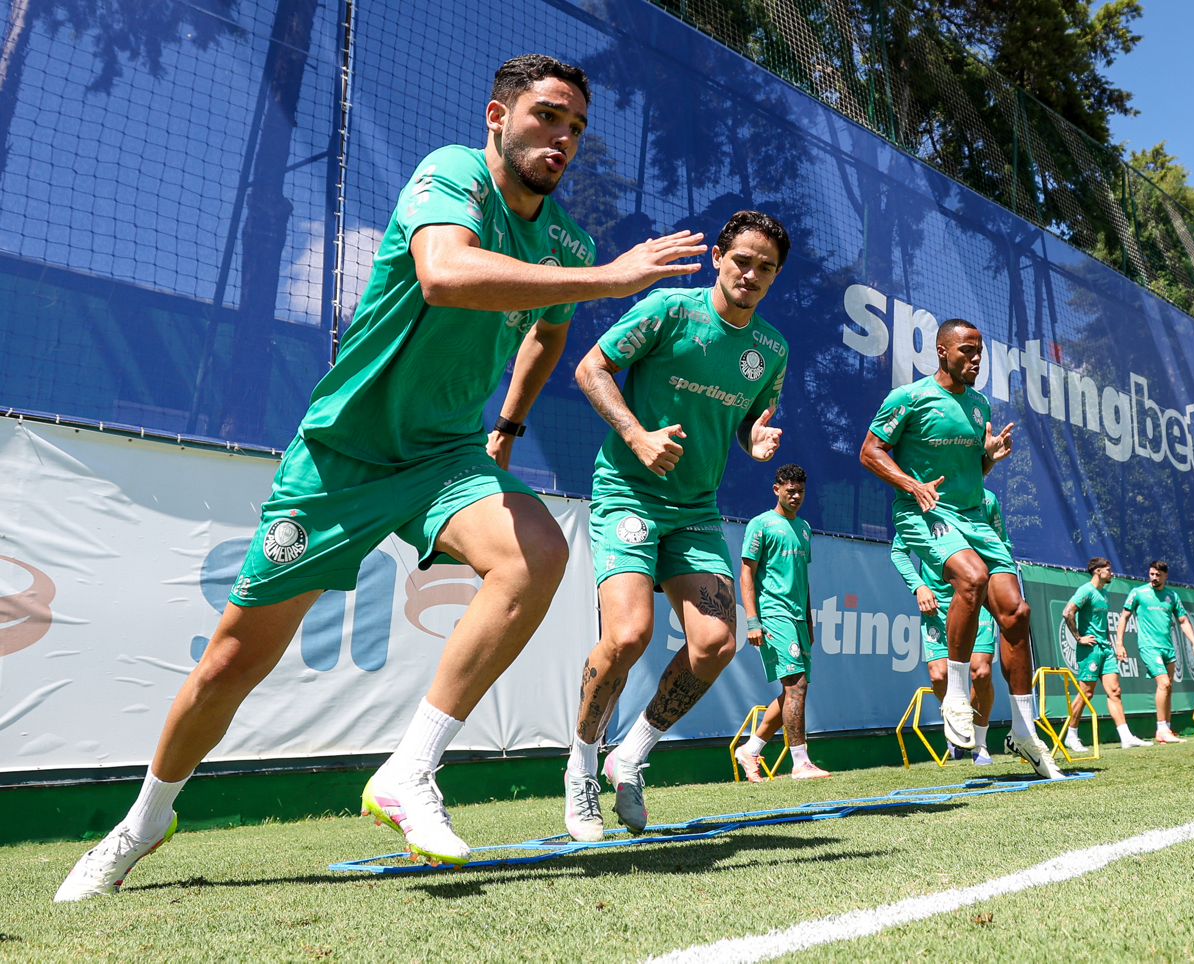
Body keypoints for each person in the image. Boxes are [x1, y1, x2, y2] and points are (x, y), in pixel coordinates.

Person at [56, 54, 711, 901]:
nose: (563, 139)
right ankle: (142, 822)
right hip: (342, 458)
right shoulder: (452, 177)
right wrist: (610, 279)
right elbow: (445, 276)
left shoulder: (564, 241)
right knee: (229, 662)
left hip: (444, 455)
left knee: (538, 553)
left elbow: (548, 330)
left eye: (577, 128)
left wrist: (508, 422)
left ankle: (410, 770)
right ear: (497, 117)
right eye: (548, 116)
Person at [563, 210, 790, 841]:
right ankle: (580, 766)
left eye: (765, 267)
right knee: (630, 635)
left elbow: (746, 422)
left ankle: (629, 756)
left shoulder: (771, 349)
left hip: (694, 510)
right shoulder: (668, 310)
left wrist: (755, 438)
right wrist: (636, 436)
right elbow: (590, 368)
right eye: (742, 259)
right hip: (629, 493)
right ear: (719, 255)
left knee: (716, 642)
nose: (751, 274)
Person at [860, 319, 1064, 780]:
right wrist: (910, 483)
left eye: (980, 352)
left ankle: (1025, 731)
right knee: (970, 578)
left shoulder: (978, 405)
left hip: (973, 517)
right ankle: (955, 695)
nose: (976, 359)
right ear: (941, 351)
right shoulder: (908, 397)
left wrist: (988, 455)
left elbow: (972, 470)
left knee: (1016, 612)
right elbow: (870, 452)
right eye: (967, 350)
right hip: (924, 513)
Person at [891, 487, 1012, 766]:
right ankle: (957, 722)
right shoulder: (926, 494)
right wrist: (918, 586)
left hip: (977, 598)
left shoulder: (988, 499)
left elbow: (1001, 544)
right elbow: (899, 551)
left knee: (980, 673)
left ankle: (979, 744)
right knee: (938, 675)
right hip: (938, 604)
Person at [734, 463, 829, 781]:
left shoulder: (804, 528)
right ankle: (800, 761)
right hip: (773, 616)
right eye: (790, 491)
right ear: (776, 490)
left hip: (800, 620)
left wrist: (810, 620)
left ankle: (751, 749)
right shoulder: (760, 525)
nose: (797, 496)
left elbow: (804, 579)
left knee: (794, 690)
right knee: (796, 686)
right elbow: (746, 572)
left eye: (801, 491)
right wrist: (752, 621)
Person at [1061, 558, 1151, 751]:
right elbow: (1067, 612)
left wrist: (1112, 642)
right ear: (1098, 571)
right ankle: (1071, 735)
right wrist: (1079, 638)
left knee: (1115, 691)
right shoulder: (1086, 590)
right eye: (1109, 570)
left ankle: (1126, 737)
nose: (1112, 573)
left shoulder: (1105, 594)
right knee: (1086, 692)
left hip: (1105, 649)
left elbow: (1103, 623)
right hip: (1090, 649)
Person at [1115, 560, 1194, 745]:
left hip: (1168, 648)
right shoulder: (1138, 592)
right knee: (1163, 683)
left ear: (1165, 576)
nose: (1154, 578)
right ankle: (1161, 729)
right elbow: (1124, 617)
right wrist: (1119, 644)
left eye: (1158, 575)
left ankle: (1166, 730)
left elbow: (1183, 621)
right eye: (1152, 574)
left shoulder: (1172, 595)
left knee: (1169, 687)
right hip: (1148, 647)